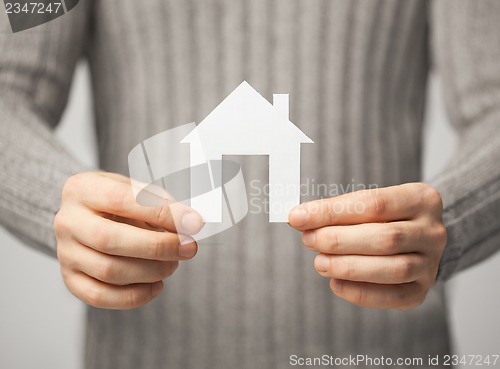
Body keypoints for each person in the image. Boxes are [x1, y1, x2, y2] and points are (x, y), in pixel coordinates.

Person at [1, 1, 499, 368]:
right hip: (144, 351)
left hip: (384, 353)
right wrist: (55, 198)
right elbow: (7, 86)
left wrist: (453, 217)